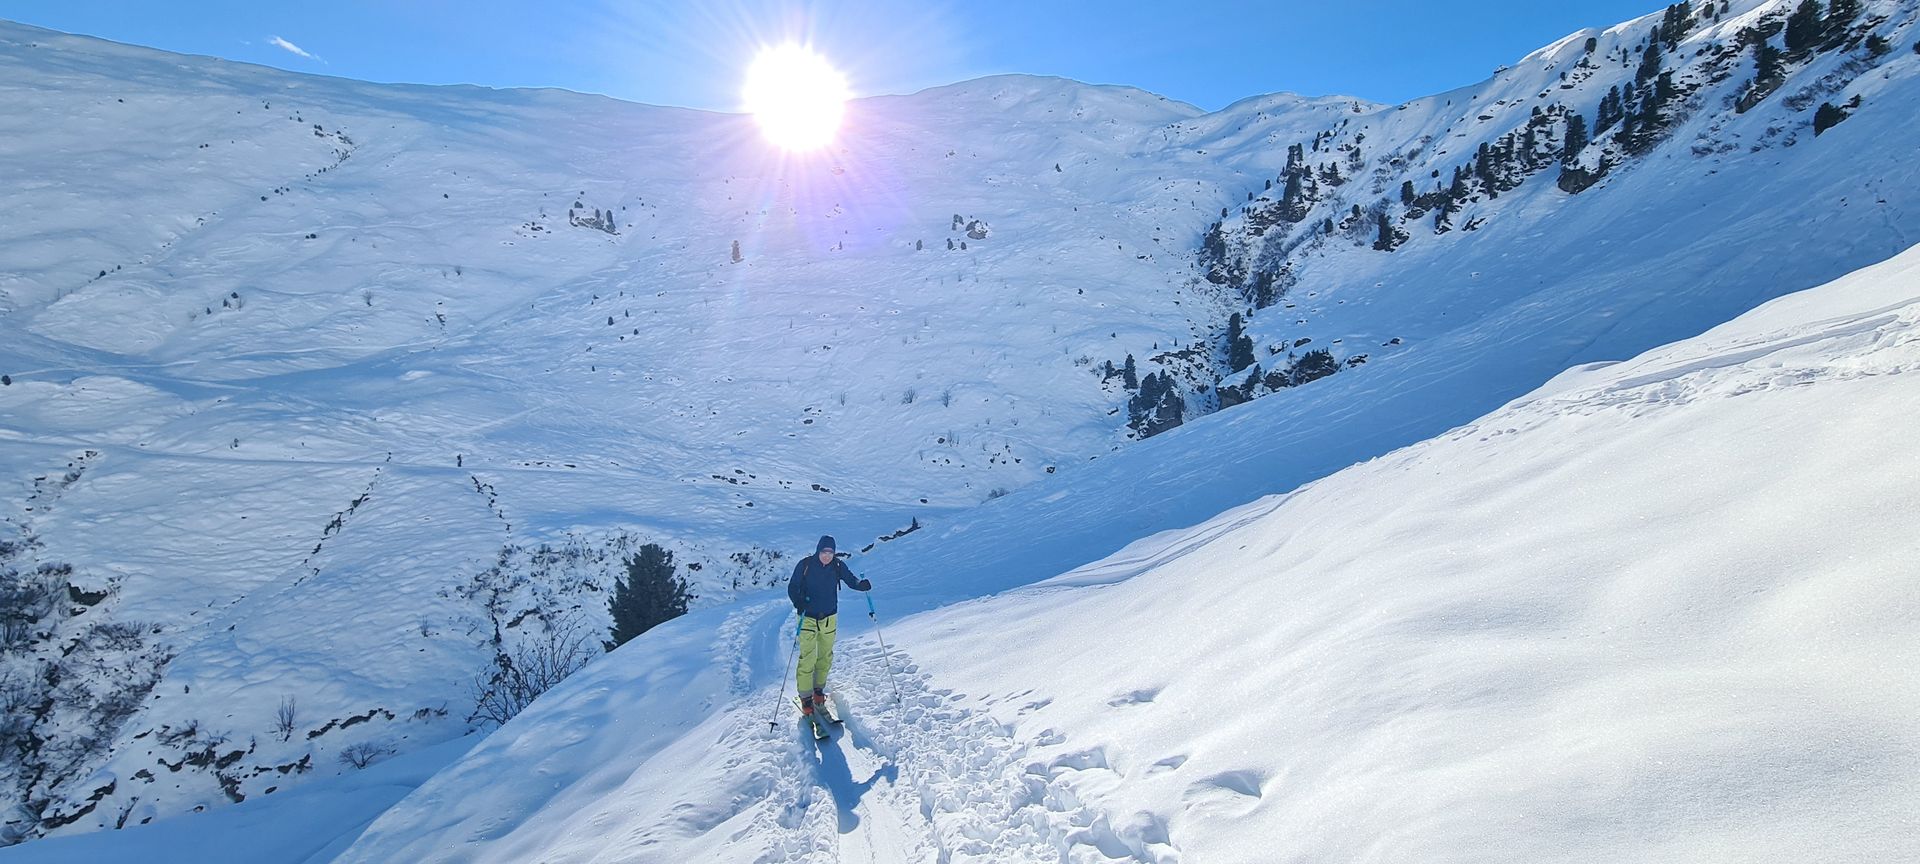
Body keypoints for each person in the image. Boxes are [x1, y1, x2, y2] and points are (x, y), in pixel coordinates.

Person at [787, 534, 870, 716]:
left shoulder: (837, 566)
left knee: (825, 656)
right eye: (824, 551)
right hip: (807, 618)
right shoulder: (805, 565)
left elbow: (851, 580)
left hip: (829, 618)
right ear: (818, 550)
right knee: (808, 657)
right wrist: (798, 601)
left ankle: (818, 690)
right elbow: (792, 587)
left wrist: (861, 584)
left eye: (830, 552)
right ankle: (805, 697)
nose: (827, 555)